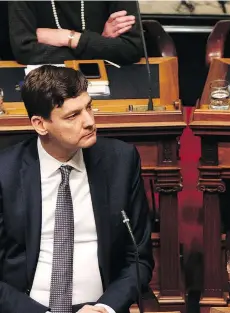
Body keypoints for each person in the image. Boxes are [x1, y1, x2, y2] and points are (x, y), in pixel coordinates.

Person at [0, 65, 153, 313]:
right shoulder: (5, 173)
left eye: (89, 107)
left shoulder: (121, 162)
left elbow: (139, 258)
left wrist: (106, 308)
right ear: (40, 124)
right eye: (73, 116)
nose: (90, 122)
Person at [8, 1, 142, 65]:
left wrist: (69, 38)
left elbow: (132, 49)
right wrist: (100, 45)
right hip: (44, 79)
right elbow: (24, 51)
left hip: (110, 78)